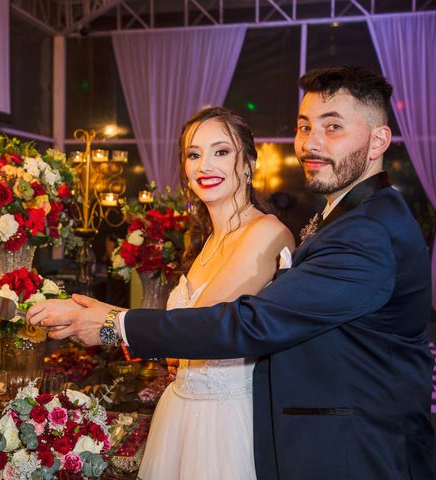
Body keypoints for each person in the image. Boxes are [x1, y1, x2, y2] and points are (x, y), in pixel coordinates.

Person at [28, 66, 436, 480]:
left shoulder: (367, 232)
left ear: (378, 141)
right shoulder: (347, 216)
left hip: (357, 452)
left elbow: (252, 323)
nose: (311, 143)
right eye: (304, 126)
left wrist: (114, 324)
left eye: (333, 127)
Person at [141, 107, 292, 479]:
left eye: (221, 151)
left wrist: (107, 322)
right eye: (194, 154)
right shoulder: (206, 241)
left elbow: (198, 326)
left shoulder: (266, 232)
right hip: (180, 413)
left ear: (248, 163)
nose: (205, 165)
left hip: (224, 424)